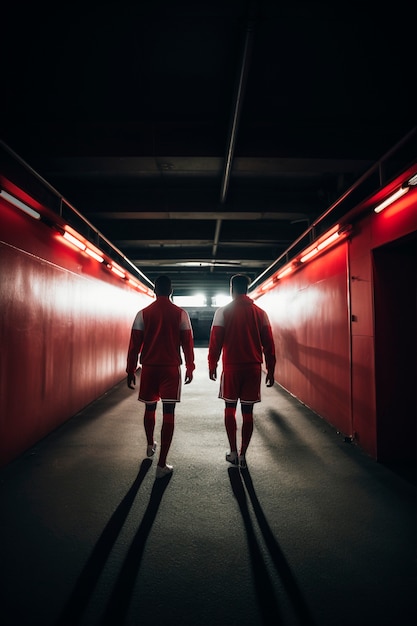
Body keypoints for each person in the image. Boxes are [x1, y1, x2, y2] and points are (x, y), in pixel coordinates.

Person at [126, 275, 195, 479]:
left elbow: (134, 346)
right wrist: (190, 367)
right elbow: (187, 344)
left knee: (149, 408)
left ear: (154, 291)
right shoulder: (181, 314)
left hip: (149, 368)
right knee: (169, 412)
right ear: (171, 291)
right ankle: (162, 465)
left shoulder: (142, 314)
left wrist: (130, 370)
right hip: (170, 369)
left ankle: (149, 445)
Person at [208, 274, 276, 469]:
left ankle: (232, 452)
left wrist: (212, 363)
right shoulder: (260, 313)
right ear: (247, 289)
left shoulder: (223, 312)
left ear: (232, 289)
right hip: (253, 369)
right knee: (248, 411)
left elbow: (215, 342)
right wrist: (270, 369)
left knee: (229, 409)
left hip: (231, 368)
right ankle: (244, 454)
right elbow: (269, 345)